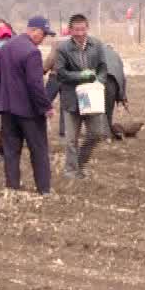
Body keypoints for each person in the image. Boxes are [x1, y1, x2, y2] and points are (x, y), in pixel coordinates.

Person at [0, 16, 54, 195]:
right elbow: (35, 85)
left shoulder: (6, 47)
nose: (43, 39)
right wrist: (46, 107)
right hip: (29, 112)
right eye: (43, 35)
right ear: (34, 31)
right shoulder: (32, 52)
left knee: (11, 150)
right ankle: (44, 189)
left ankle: (12, 187)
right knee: (38, 150)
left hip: (7, 108)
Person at [51, 14, 112, 179]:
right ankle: (70, 171)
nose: (80, 33)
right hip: (71, 98)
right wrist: (81, 76)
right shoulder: (63, 49)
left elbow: (103, 67)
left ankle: (80, 163)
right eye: (76, 30)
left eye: (83, 29)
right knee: (71, 139)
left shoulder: (96, 45)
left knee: (96, 133)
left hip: (92, 97)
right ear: (70, 30)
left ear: (87, 28)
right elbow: (61, 73)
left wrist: (98, 81)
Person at [100, 41, 129, 141]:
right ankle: (107, 136)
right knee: (108, 110)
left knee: (98, 109)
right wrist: (123, 98)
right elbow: (122, 77)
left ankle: (105, 134)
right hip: (112, 83)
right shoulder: (117, 56)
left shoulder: (96, 52)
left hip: (99, 81)